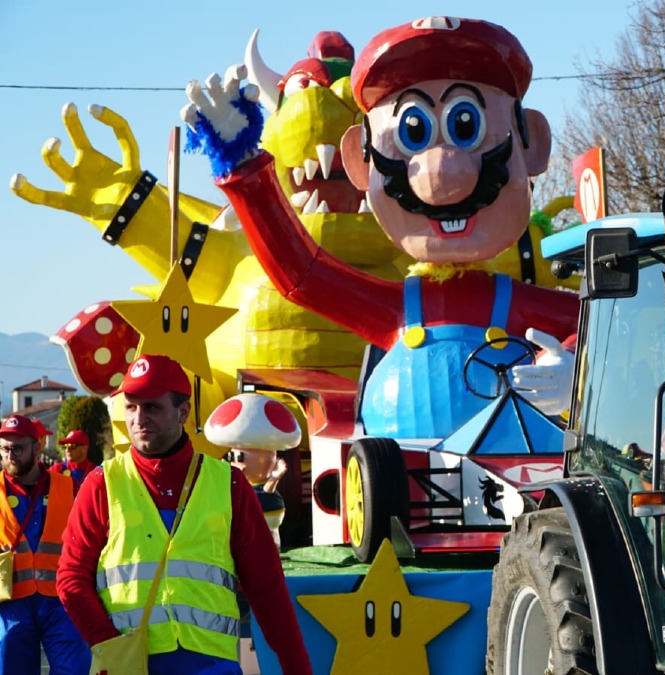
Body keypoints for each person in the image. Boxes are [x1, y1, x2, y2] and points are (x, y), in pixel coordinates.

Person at [182, 16, 579, 441]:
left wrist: (579, 368)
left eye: (466, 127)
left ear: (531, 142)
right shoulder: (397, 308)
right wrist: (245, 170)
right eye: (414, 131)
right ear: (359, 160)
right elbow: (301, 274)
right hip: (397, 486)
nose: (443, 170)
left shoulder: (516, 303)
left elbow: (613, 329)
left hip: (514, 484)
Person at [56, 355, 312, 674]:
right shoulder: (100, 484)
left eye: (152, 407)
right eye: (132, 406)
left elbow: (268, 589)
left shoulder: (230, 484)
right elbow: (71, 578)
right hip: (131, 665)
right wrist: (108, 644)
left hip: (213, 666)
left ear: (183, 411)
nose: (138, 418)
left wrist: (297, 667)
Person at [0, 414, 89, 674]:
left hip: (62, 602)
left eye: (18, 448)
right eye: (5, 449)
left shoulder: (68, 486)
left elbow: (90, 537)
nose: (10, 455)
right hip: (11, 604)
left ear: (37, 448)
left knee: (75, 669)